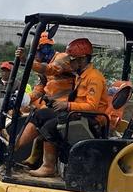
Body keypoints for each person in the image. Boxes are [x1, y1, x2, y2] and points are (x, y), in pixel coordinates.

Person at [13, 38, 108, 178]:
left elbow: (92, 106)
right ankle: (15, 145)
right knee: (40, 114)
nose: (69, 63)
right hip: (77, 113)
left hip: (90, 118)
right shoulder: (80, 76)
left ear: (82, 59)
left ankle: (48, 166)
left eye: (72, 60)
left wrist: (67, 105)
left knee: (50, 127)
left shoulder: (94, 78)